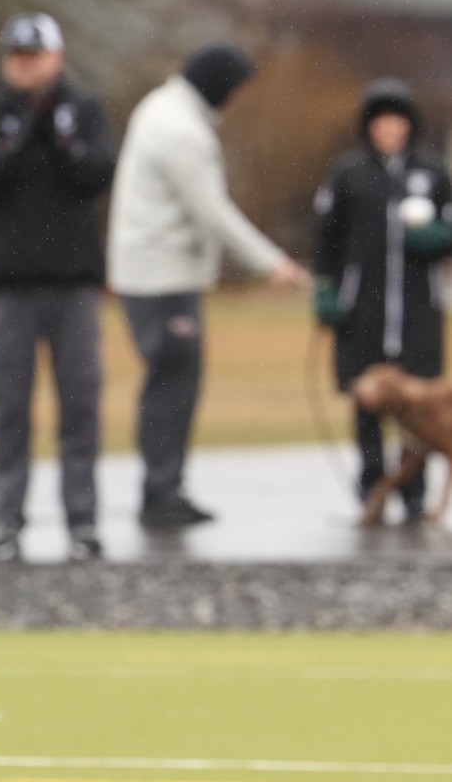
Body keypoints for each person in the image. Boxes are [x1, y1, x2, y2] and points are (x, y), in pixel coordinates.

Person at [108, 43, 309, 527]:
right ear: (217, 84)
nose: (237, 99)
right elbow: (211, 209)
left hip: (154, 275)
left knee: (172, 381)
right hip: (161, 279)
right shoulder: (179, 129)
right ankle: (160, 493)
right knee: (172, 384)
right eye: (236, 89)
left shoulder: (165, 108)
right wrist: (271, 263)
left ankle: (166, 487)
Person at [0, 13, 114, 562]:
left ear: (57, 56)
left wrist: (60, 143)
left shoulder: (82, 110)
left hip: (72, 286)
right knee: (11, 408)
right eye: (17, 56)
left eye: (35, 55)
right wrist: (15, 142)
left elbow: (97, 174)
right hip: (8, 287)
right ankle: (7, 521)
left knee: (80, 406)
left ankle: (83, 523)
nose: (26, 65)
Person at [314, 78, 452, 521]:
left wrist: (438, 236)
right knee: (367, 400)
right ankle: (372, 481)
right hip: (365, 308)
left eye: (397, 122)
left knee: (422, 406)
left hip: (417, 309)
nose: (389, 131)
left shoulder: (431, 173)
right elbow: (327, 238)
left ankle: (414, 489)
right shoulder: (349, 175)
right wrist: (327, 289)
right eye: (381, 123)